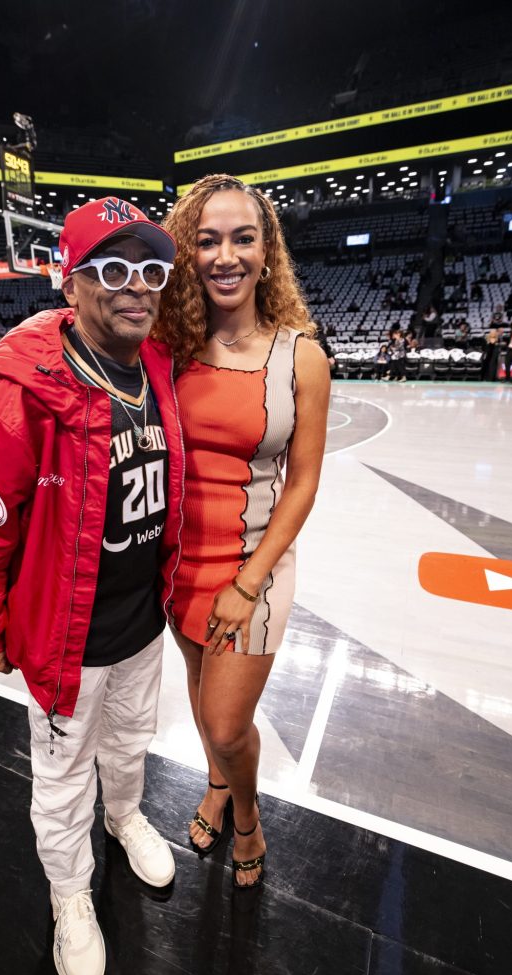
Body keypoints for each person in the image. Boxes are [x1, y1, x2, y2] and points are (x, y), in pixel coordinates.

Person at [0, 197, 183, 975]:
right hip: (65, 632)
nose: (135, 287)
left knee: (130, 741)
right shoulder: (26, 387)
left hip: (140, 622)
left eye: (150, 269)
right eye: (112, 270)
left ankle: (126, 818)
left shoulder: (153, 366)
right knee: (63, 771)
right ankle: (71, 893)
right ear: (70, 285)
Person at [153, 174, 329, 889]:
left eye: (242, 237)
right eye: (206, 239)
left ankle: (247, 814)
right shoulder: (168, 348)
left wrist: (247, 582)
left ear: (266, 251)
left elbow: (304, 481)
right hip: (178, 566)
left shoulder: (301, 356)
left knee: (227, 723)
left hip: (253, 566)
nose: (224, 255)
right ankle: (217, 785)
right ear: (188, 254)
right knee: (201, 704)